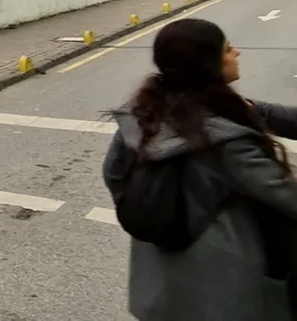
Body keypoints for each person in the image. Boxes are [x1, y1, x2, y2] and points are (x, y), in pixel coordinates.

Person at [103, 18, 297, 319]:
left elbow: (114, 175)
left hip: (159, 282)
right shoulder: (226, 141)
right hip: (228, 287)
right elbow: (287, 196)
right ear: (209, 64)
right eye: (228, 49)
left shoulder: (144, 115)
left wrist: (168, 213)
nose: (237, 53)